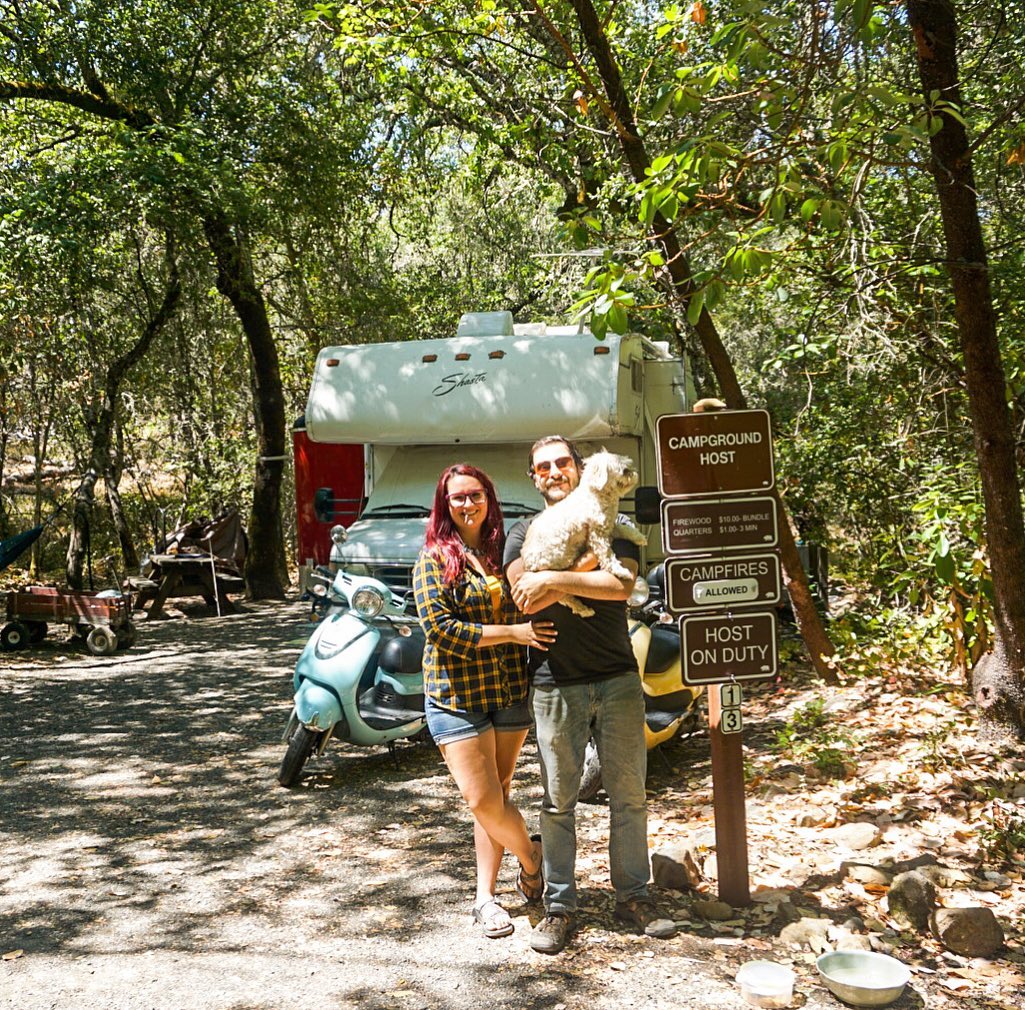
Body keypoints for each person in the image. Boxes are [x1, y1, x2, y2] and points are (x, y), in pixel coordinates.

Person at [504, 436, 677, 954]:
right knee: (559, 801)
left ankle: (634, 896)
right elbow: (521, 594)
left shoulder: (614, 518)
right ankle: (559, 906)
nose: (554, 472)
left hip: (618, 675)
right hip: (555, 681)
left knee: (630, 795)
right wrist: (583, 575)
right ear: (534, 478)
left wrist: (554, 578)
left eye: (562, 463)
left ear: (581, 470)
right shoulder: (522, 530)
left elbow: (621, 586)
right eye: (543, 467)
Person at [412, 463, 555, 939]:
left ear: (489, 499)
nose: (467, 503)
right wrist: (515, 632)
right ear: (445, 505)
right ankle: (533, 858)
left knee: (496, 798)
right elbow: (442, 631)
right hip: (456, 695)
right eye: (457, 498)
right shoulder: (433, 559)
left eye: (475, 495)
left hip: (508, 691)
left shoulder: (505, 553)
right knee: (481, 798)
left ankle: (486, 899)